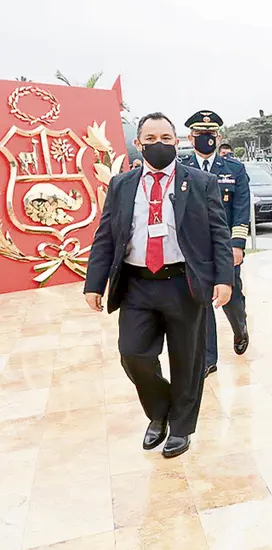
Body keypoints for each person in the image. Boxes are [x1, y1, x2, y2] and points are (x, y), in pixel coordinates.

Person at [84, 112, 233, 459]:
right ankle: (160, 410)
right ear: (138, 145)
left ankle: (181, 427)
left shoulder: (199, 182)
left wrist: (224, 278)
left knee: (187, 360)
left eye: (166, 138)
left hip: (184, 283)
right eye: (150, 140)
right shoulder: (122, 185)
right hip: (138, 284)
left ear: (177, 141)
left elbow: (218, 234)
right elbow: (106, 234)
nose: (159, 145)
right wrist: (95, 282)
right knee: (133, 354)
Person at [181, 112, 251, 377]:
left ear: (219, 137)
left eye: (211, 135)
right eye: (200, 135)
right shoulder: (182, 168)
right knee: (202, 301)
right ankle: (209, 357)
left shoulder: (234, 169)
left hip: (224, 247)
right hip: (195, 248)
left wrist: (237, 244)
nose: (206, 139)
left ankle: (240, 327)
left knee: (231, 296)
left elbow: (241, 208)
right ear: (190, 137)